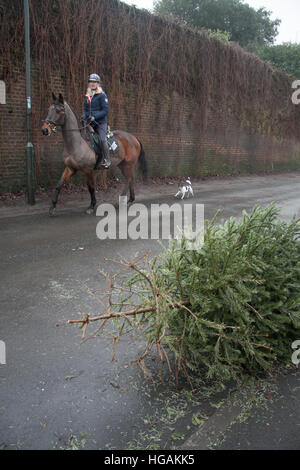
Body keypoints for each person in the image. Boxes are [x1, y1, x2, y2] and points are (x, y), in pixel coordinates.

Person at [82, 73, 111, 169]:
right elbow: (85, 110)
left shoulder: (102, 95)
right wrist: (83, 116)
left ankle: (107, 160)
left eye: (94, 82)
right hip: (90, 122)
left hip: (100, 123)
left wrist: (94, 117)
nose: (92, 84)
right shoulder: (87, 96)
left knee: (102, 139)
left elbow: (105, 110)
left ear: (98, 83)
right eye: (91, 82)